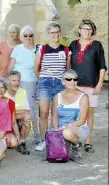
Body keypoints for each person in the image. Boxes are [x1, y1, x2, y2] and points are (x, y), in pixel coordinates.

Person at [68, 20, 107, 153]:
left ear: (93, 31)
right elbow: (68, 65)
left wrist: (100, 83)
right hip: (74, 85)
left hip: (91, 84)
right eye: (84, 29)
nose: (87, 31)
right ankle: (74, 140)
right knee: (75, 113)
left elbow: (102, 66)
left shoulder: (97, 45)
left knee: (89, 113)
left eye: (89, 29)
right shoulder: (73, 45)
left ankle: (88, 141)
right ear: (79, 30)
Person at [34, 23, 70, 152]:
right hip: (45, 83)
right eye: (53, 32)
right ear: (48, 34)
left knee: (58, 114)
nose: (56, 35)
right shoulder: (42, 49)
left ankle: (57, 139)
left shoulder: (66, 50)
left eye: (58, 32)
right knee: (43, 114)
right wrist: (45, 79)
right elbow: (36, 69)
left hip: (60, 84)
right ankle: (44, 140)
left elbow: (67, 70)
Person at [9, 25, 41, 144]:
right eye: (25, 35)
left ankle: (37, 134)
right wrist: (7, 79)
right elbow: (11, 65)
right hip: (16, 81)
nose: (28, 37)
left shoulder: (38, 48)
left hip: (30, 81)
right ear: (21, 37)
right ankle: (15, 133)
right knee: (14, 107)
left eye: (30, 35)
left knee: (30, 108)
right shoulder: (17, 48)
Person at [52, 69, 90, 162]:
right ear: (63, 81)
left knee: (67, 133)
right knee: (51, 136)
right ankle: (65, 143)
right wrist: (56, 131)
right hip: (61, 128)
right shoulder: (57, 97)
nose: (72, 82)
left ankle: (76, 146)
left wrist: (64, 128)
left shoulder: (83, 97)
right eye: (69, 79)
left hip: (79, 129)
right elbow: (54, 117)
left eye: (75, 79)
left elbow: (82, 120)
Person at [5, 71, 31, 155]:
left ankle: (22, 143)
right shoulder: (2, 92)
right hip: (5, 123)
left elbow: (27, 110)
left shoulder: (23, 92)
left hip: (16, 120)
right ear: (7, 81)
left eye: (18, 80)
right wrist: (17, 114)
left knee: (27, 117)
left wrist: (12, 113)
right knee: (24, 116)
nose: (16, 83)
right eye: (13, 81)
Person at [0, 77, 17, 149]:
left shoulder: (11, 102)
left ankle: (0, 143)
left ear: (5, 89)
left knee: (14, 143)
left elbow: (13, 122)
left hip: (6, 132)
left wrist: (18, 135)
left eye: (2, 87)